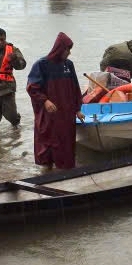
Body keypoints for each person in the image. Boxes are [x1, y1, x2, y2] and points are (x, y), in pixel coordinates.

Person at [26, 32, 85, 169]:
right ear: (59, 48)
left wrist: (78, 109)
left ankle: (65, 173)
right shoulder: (41, 65)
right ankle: (46, 172)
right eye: (67, 49)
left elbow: (75, 88)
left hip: (66, 114)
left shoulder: (69, 65)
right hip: (49, 114)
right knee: (47, 142)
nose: (69, 53)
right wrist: (45, 101)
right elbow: (32, 88)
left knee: (66, 144)